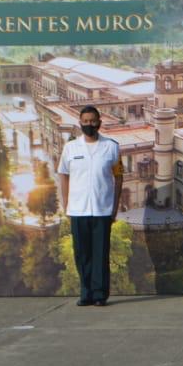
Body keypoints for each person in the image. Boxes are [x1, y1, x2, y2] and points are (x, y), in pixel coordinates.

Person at [57, 106, 123, 307]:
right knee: (82, 253)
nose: (89, 124)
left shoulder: (111, 147)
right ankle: (85, 292)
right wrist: (66, 203)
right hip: (78, 209)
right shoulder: (70, 148)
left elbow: (118, 177)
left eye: (93, 121)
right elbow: (63, 175)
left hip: (102, 209)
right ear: (80, 123)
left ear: (99, 122)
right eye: (85, 121)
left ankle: (100, 294)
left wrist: (114, 207)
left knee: (100, 253)